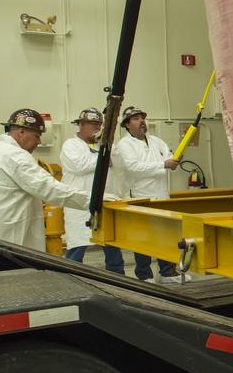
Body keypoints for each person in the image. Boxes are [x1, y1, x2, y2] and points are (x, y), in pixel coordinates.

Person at [0, 108, 91, 250]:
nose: (39, 141)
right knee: (14, 271)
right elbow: (48, 188)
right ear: (21, 132)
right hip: (11, 239)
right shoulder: (16, 156)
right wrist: (93, 200)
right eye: (37, 136)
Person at [113, 105, 180, 281]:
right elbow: (133, 168)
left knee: (165, 236)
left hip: (161, 196)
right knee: (143, 238)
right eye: (136, 118)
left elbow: (170, 156)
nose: (141, 121)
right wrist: (163, 164)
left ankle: (167, 272)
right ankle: (144, 275)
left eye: (142, 117)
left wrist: (170, 162)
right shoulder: (124, 145)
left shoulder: (157, 141)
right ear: (127, 124)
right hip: (140, 197)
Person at [59, 107, 125, 274]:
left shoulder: (106, 145)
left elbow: (119, 164)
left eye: (99, 124)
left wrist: (107, 152)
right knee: (77, 247)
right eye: (93, 124)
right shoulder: (70, 145)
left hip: (106, 201)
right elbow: (80, 166)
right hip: (80, 206)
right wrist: (103, 158)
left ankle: (119, 279)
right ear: (81, 125)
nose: (97, 128)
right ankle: (71, 279)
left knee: (111, 244)